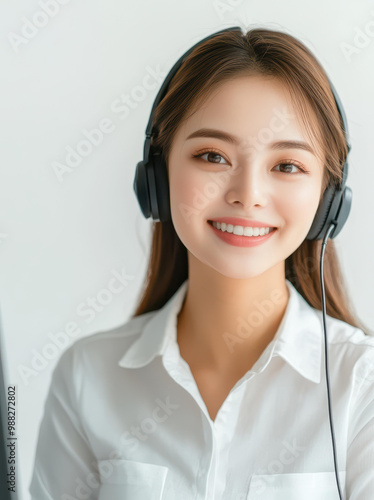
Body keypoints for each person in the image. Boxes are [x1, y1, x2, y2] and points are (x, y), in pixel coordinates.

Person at [29, 26, 374, 500]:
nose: (247, 195)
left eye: (287, 165)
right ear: (158, 179)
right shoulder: (87, 376)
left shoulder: (362, 386)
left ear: (329, 200)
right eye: (212, 156)